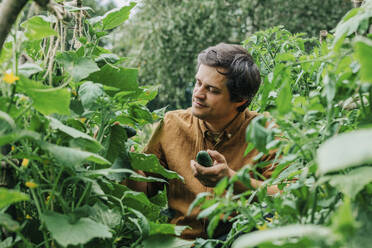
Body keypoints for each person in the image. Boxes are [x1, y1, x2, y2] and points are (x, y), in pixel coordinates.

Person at [128, 43, 280, 240]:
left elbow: (287, 195)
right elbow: (145, 188)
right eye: (198, 83)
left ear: (240, 100)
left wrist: (232, 180)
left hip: (240, 241)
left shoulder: (267, 133)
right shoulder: (172, 124)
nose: (198, 94)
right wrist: (125, 156)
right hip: (182, 244)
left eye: (212, 90)